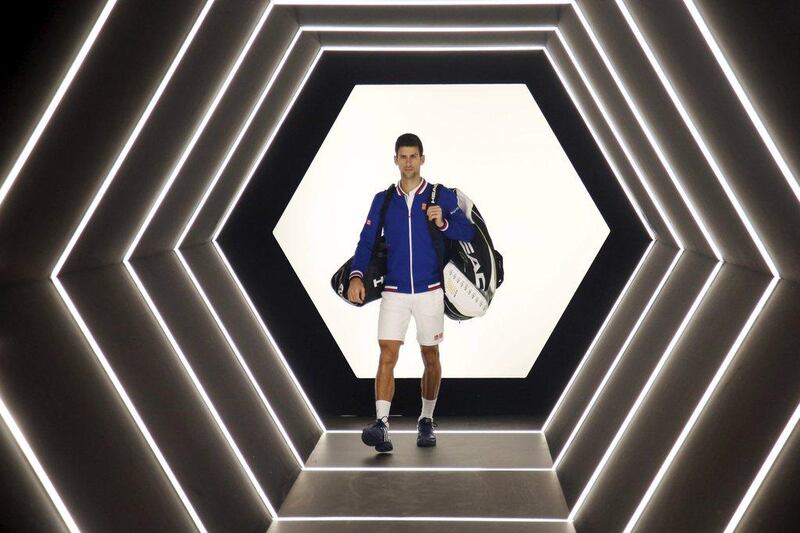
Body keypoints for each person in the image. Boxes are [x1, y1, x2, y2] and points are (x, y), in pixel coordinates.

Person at [347, 133, 475, 452]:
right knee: (387, 354)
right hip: (394, 291)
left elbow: (468, 230)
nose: (408, 162)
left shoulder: (438, 194)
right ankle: (381, 424)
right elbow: (365, 242)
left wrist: (444, 223)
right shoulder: (384, 199)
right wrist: (356, 275)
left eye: (413, 156)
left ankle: (426, 421)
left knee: (430, 356)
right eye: (402, 156)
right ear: (395, 160)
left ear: (422, 159)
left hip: (431, 290)